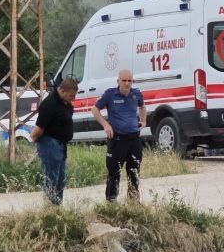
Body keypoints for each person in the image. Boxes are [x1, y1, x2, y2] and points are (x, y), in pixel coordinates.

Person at [91, 69, 146, 202]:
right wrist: (106, 125)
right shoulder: (110, 94)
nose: (127, 84)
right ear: (118, 81)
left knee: (134, 172)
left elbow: (142, 107)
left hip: (133, 139)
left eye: (129, 81)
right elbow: (94, 109)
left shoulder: (136, 93)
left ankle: (133, 201)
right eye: (124, 80)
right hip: (117, 140)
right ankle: (111, 202)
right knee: (114, 174)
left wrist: (143, 120)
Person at [29, 78, 78, 206]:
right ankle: (50, 209)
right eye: (71, 95)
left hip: (61, 144)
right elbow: (39, 128)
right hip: (49, 143)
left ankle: (57, 207)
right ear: (62, 90)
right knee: (52, 179)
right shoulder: (49, 104)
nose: (73, 98)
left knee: (61, 179)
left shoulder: (64, 102)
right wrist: (33, 140)